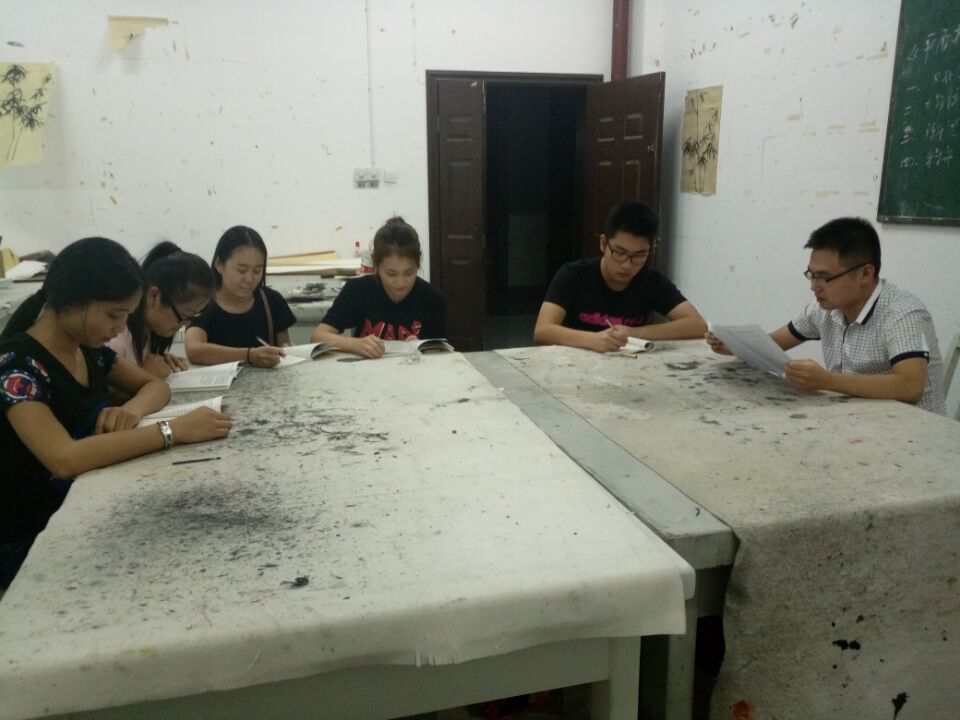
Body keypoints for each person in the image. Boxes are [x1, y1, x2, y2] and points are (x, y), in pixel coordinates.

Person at [0, 237, 231, 591]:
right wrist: (172, 431)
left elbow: (156, 387)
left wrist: (132, 409)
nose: (120, 329)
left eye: (125, 316)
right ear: (74, 300)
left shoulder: (87, 350)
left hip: (83, 509)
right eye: (113, 315)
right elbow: (65, 458)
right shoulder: (17, 367)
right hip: (30, 542)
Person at [706, 217, 946, 414]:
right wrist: (736, 345)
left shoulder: (903, 313)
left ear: (865, 274)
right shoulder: (823, 309)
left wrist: (826, 381)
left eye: (824, 277)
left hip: (912, 435)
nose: (814, 287)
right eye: (811, 275)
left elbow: (909, 386)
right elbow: (774, 343)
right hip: (856, 421)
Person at [533, 200, 706, 352]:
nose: (627, 265)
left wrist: (633, 333)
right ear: (603, 243)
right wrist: (593, 340)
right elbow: (542, 331)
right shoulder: (573, 275)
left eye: (639, 255)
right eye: (620, 253)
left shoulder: (652, 281)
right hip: (571, 363)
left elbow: (698, 325)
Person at [311, 217, 446, 359]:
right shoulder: (358, 291)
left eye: (409, 273)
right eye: (391, 274)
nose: (400, 282)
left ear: (418, 265)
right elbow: (318, 337)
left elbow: (442, 353)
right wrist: (355, 344)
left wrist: (422, 347)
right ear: (377, 267)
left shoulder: (432, 298)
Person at [185, 226, 296, 368]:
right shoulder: (203, 302)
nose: (249, 279)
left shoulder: (271, 301)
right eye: (241, 270)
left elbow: (282, 347)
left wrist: (286, 351)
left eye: (257, 271)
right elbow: (194, 350)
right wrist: (249, 355)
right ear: (219, 264)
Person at [107, 241, 214, 378]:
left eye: (192, 317)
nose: (185, 324)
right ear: (154, 296)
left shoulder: (147, 334)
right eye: (183, 316)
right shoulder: (115, 340)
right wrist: (146, 374)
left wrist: (160, 361)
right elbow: (108, 391)